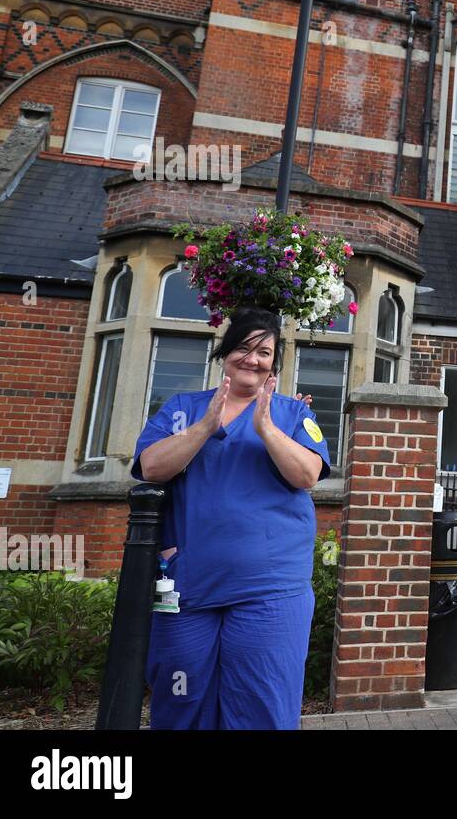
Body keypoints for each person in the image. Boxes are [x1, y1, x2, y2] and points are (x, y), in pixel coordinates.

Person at [132, 307, 330, 729]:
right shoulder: (184, 408)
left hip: (270, 590)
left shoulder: (293, 414)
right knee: (180, 694)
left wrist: (266, 429)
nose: (251, 359)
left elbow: (307, 475)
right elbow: (151, 467)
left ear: (274, 364)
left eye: (263, 352)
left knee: (261, 703)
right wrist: (205, 427)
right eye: (242, 347)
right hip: (186, 585)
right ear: (225, 352)